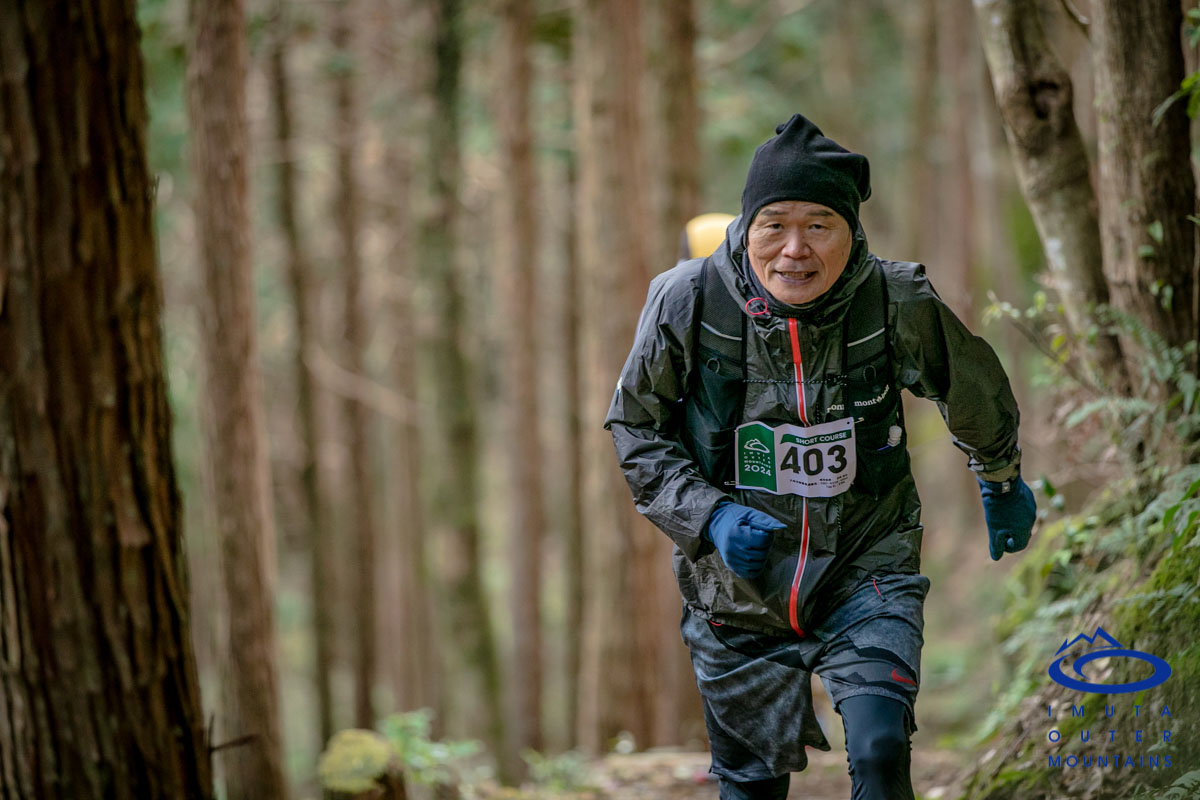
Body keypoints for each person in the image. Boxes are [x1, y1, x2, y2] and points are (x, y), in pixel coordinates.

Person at [604, 113, 1037, 800]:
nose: (794, 249)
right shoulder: (687, 299)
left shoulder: (894, 299)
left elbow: (971, 387)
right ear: (746, 227)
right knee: (751, 786)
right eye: (774, 224)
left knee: (881, 748)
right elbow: (635, 426)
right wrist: (710, 515)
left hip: (867, 565)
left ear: (851, 231)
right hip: (735, 590)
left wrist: (1001, 475)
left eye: (819, 225)